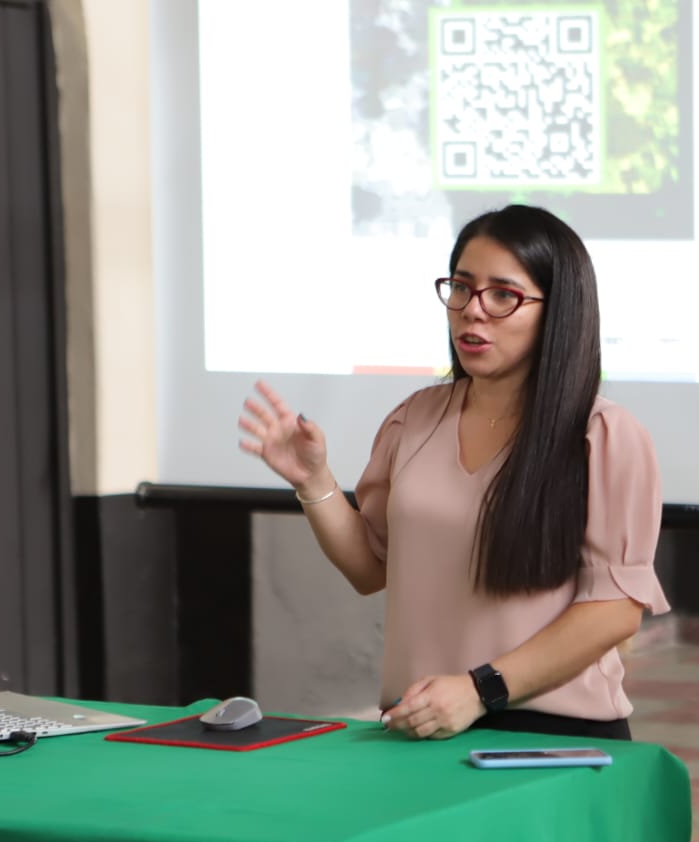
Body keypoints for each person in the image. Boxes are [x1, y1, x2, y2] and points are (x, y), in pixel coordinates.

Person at [238, 205, 669, 742]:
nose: (472, 311)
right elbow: (371, 567)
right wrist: (314, 482)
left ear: (557, 312)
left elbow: (614, 613)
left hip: (551, 735)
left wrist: (478, 690)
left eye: (503, 295)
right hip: (421, 725)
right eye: (461, 288)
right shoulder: (414, 418)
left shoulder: (603, 435)